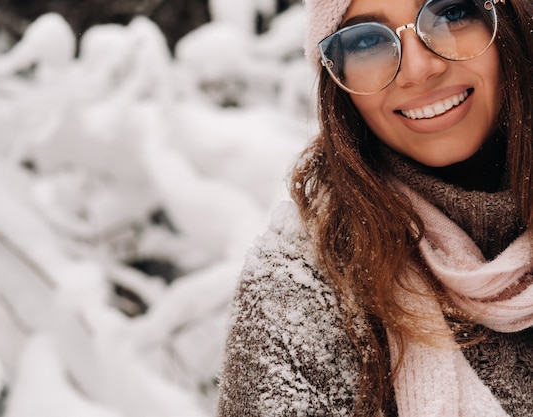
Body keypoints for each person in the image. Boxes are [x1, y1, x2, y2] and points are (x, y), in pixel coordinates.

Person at [215, 0, 533, 415]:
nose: (419, 69)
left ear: (510, 20)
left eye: (452, 13)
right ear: (337, 77)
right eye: (366, 41)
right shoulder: (299, 294)